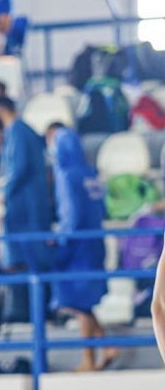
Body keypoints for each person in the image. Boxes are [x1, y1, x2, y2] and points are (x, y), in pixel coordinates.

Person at [46, 123, 116, 372]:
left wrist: (59, 238)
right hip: (95, 242)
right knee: (84, 301)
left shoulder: (67, 175)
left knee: (76, 301)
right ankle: (106, 345)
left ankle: (88, 358)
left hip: (78, 247)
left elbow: (71, 216)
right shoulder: (90, 173)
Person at [0, 96, 52, 274]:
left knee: (25, 263)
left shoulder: (17, 132)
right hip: (28, 206)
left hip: (25, 208)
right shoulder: (22, 131)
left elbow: (18, 168)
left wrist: (4, 193)